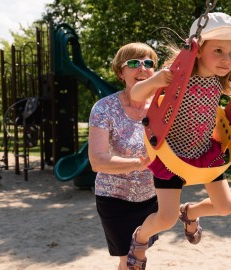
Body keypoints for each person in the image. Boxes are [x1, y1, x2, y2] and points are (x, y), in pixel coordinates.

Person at [126, 12, 231, 269]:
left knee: (225, 206)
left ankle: (191, 212)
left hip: (205, 152)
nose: (226, 59)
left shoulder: (221, 79)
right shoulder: (174, 76)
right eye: (218, 50)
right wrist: (154, 80)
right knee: (165, 219)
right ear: (196, 50)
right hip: (170, 154)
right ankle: (140, 238)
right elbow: (137, 95)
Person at [88, 42, 163, 270]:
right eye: (133, 63)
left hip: (151, 196)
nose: (142, 68)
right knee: (130, 261)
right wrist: (140, 164)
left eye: (148, 63)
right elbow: (97, 160)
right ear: (121, 72)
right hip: (115, 199)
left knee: (135, 259)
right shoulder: (104, 108)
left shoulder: (162, 106)